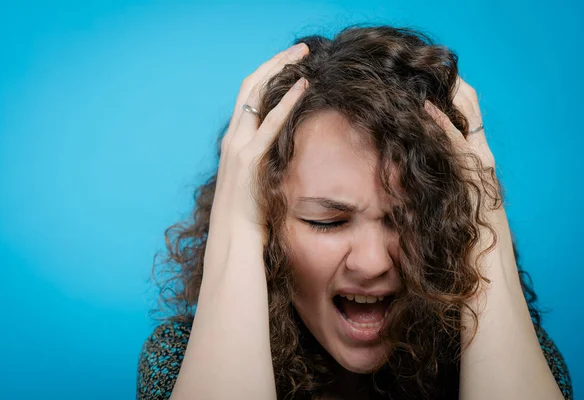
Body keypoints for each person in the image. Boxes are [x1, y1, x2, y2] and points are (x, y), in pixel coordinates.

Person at [136, 25, 572, 399]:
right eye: (327, 222)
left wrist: (482, 211)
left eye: (409, 219)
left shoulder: (518, 358)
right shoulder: (180, 357)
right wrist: (237, 223)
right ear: (268, 223)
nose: (371, 263)